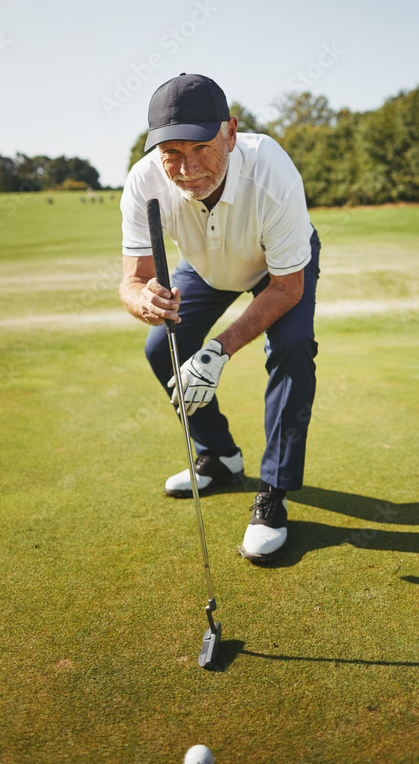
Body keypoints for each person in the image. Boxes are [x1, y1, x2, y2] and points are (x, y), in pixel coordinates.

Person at [119, 73, 320, 563]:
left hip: (278, 265)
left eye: (202, 148)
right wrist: (144, 301)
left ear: (230, 133)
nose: (187, 170)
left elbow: (288, 287)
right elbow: (132, 279)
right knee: (159, 350)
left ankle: (274, 493)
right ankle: (221, 457)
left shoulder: (271, 170)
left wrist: (218, 350)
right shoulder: (144, 182)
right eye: (172, 154)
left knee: (292, 349)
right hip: (206, 265)